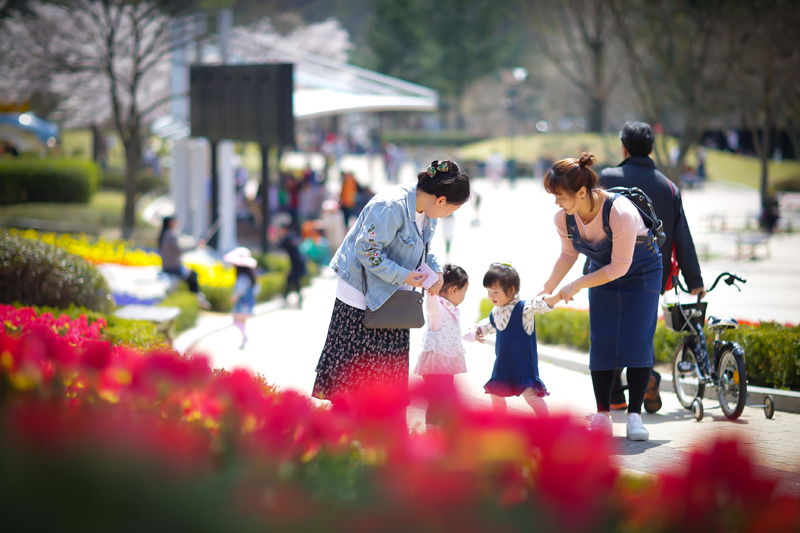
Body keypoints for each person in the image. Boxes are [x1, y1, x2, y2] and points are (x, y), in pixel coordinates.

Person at [312, 158, 471, 412]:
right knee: (353, 387)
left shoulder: (427, 211)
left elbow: (423, 251)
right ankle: (345, 442)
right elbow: (366, 250)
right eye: (452, 209)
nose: (449, 215)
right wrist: (404, 276)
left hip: (393, 300)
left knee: (385, 387)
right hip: (360, 298)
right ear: (440, 199)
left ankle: (374, 439)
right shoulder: (391, 206)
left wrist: (436, 271)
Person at [542, 152, 662, 441]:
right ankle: (603, 414)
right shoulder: (564, 218)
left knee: (638, 338)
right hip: (601, 272)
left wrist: (578, 284)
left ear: (581, 192)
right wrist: (547, 289)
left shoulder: (620, 211)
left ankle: (635, 416)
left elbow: (620, 266)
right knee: (603, 339)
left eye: (560, 196)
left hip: (640, 272)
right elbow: (568, 254)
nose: (556, 203)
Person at [599, 121, 706, 413]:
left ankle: (617, 395)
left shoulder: (606, 177)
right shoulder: (668, 187)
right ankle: (646, 380)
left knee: (611, 330)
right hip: (650, 272)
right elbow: (682, 236)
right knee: (640, 330)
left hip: (608, 269)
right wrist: (693, 277)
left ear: (623, 147)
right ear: (652, 148)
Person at [473, 262, 559, 417]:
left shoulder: (523, 309)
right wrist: (477, 330)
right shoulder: (497, 311)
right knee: (496, 395)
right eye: (488, 291)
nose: (490, 296)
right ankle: (500, 425)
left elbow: (539, 304)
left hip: (523, 366)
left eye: (495, 292)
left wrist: (558, 297)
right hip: (503, 364)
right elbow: (490, 324)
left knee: (531, 396)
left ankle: (546, 425)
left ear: (511, 290)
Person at [413, 264, 470, 429]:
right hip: (436, 366)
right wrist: (432, 292)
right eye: (464, 292)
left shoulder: (451, 309)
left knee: (443, 400)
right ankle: (433, 431)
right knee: (440, 400)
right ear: (454, 290)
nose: (464, 296)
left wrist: (473, 334)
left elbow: (455, 332)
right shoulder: (438, 307)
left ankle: (439, 429)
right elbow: (431, 308)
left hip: (445, 366)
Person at [158, 216, 211, 310]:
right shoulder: (171, 235)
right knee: (193, 276)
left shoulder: (165, 234)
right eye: (175, 222)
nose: (177, 223)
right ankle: (197, 298)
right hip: (173, 268)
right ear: (170, 223)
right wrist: (195, 246)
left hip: (168, 267)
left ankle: (196, 298)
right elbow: (179, 249)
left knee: (191, 274)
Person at [224, 247, 259, 349]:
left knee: (236, 320)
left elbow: (240, 289)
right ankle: (244, 339)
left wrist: (234, 297)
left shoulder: (242, 277)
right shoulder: (252, 276)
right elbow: (257, 289)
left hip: (242, 303)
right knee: (242, 321)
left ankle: (245, 336)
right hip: (249, 302)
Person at [277, 223, 308, 308]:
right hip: (299, 262)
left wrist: (275, 238)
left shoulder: (287, 237)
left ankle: (287, 298)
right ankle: (288, 298)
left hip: (296, 263)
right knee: (292, 280)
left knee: (294, 281)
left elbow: (279, 246)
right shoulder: (292, 235)